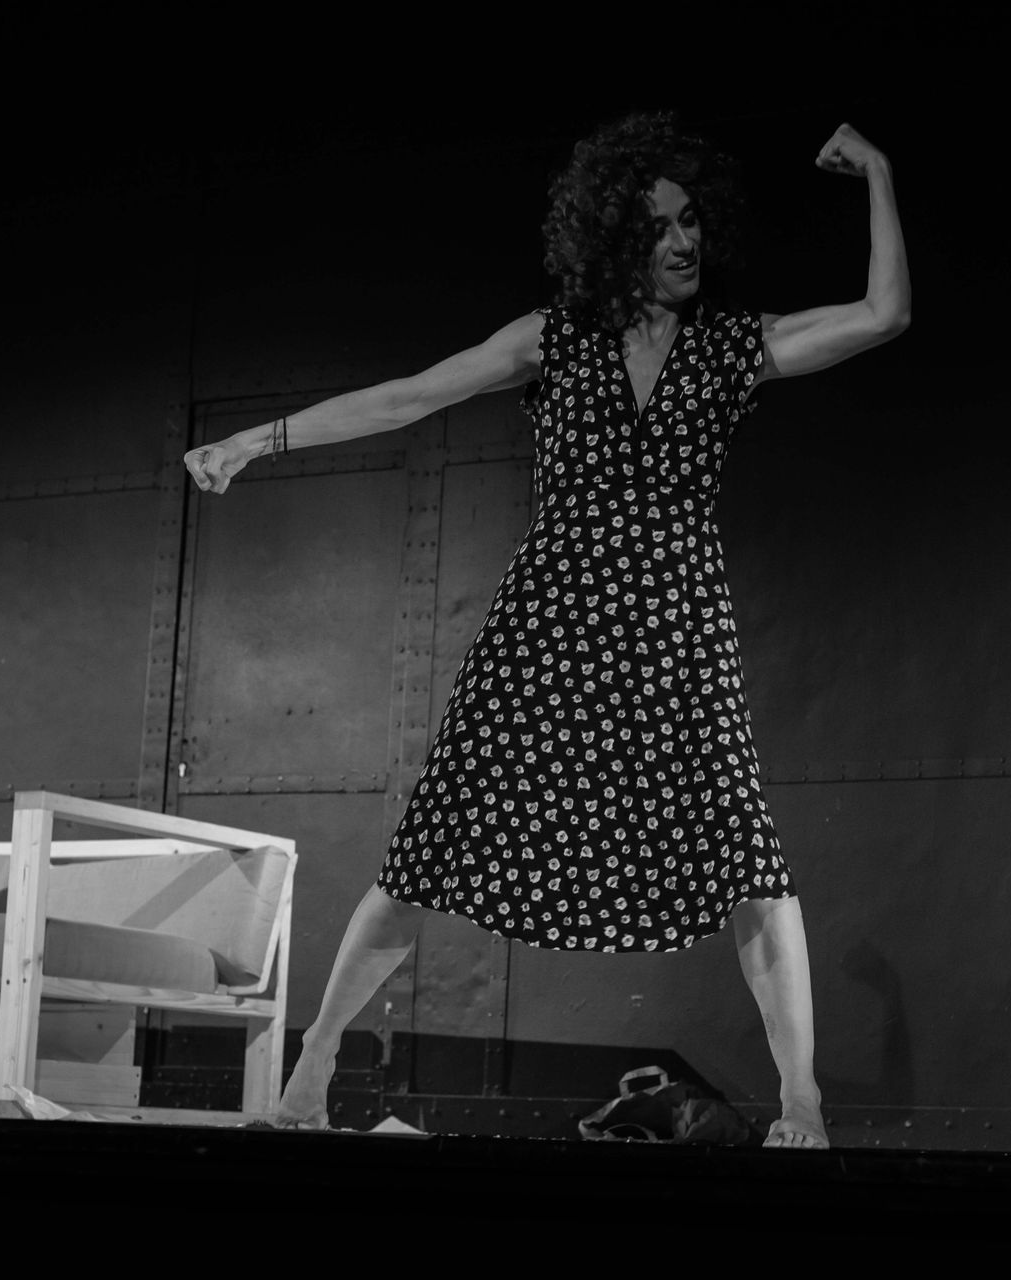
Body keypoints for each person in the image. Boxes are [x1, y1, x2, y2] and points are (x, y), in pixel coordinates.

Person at [186, 111, 908, 1148]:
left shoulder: (732, 346)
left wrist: (876, 172)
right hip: (551, 624)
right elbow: (410, 396)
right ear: (614, 237)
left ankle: (803, 1106)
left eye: (693, 221)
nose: (684, 241)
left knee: (748, 860)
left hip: (677, 633)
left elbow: (884, 314)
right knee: (426, 853)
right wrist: (259, 439)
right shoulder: (552, 339)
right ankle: (313, 1067)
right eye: (659, 226)